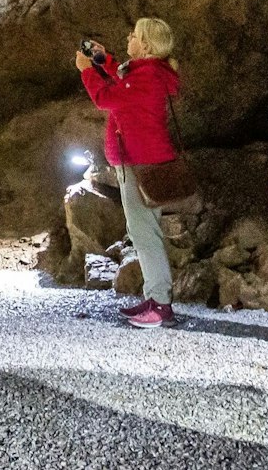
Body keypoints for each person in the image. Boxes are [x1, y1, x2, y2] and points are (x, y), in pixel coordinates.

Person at [76, 18, 183, 329]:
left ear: (146, 45)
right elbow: (122, 76)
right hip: (140, 162)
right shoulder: (147, 73)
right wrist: (103, 60)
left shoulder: (146, 76)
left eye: (134, 35)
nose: (128, 38)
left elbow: (106, 98)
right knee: (143, 231)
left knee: (144, 233)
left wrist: (86, 70)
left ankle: (160, 304)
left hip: (140, 164)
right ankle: (154, 298)